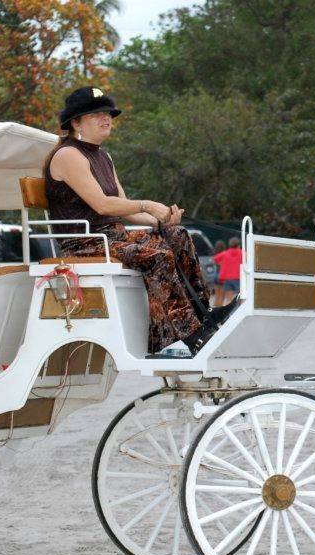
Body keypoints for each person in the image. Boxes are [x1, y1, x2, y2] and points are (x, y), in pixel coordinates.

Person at [43, 86, 212, 356]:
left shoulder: (103, 156)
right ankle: (179, 337)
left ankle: (203, 314)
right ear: (75, 122)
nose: (106, 118)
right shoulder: (68, 155)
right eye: (96, 114)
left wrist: (163, 221)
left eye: (108, 113)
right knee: (156, 256)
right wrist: (147, 205)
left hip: (112, 236)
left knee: (178, 235)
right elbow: (102, 204)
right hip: (84, 242)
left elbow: (127, 212)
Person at [213, 237, 243, 306]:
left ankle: (227, 314)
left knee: (228, 299)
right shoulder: (242, 253)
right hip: (238, 279)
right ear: (238, 245)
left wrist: (223, 263)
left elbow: (215, 259)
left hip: (227, 279)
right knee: (241, 297)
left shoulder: (225, 253)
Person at [211, 239, 226, 306]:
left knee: (217, 297)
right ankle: (219, 311)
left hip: (216, 276)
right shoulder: (225, 254)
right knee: (222, 297)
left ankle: (215, 310)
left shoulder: (215, 255)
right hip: (223, 276)